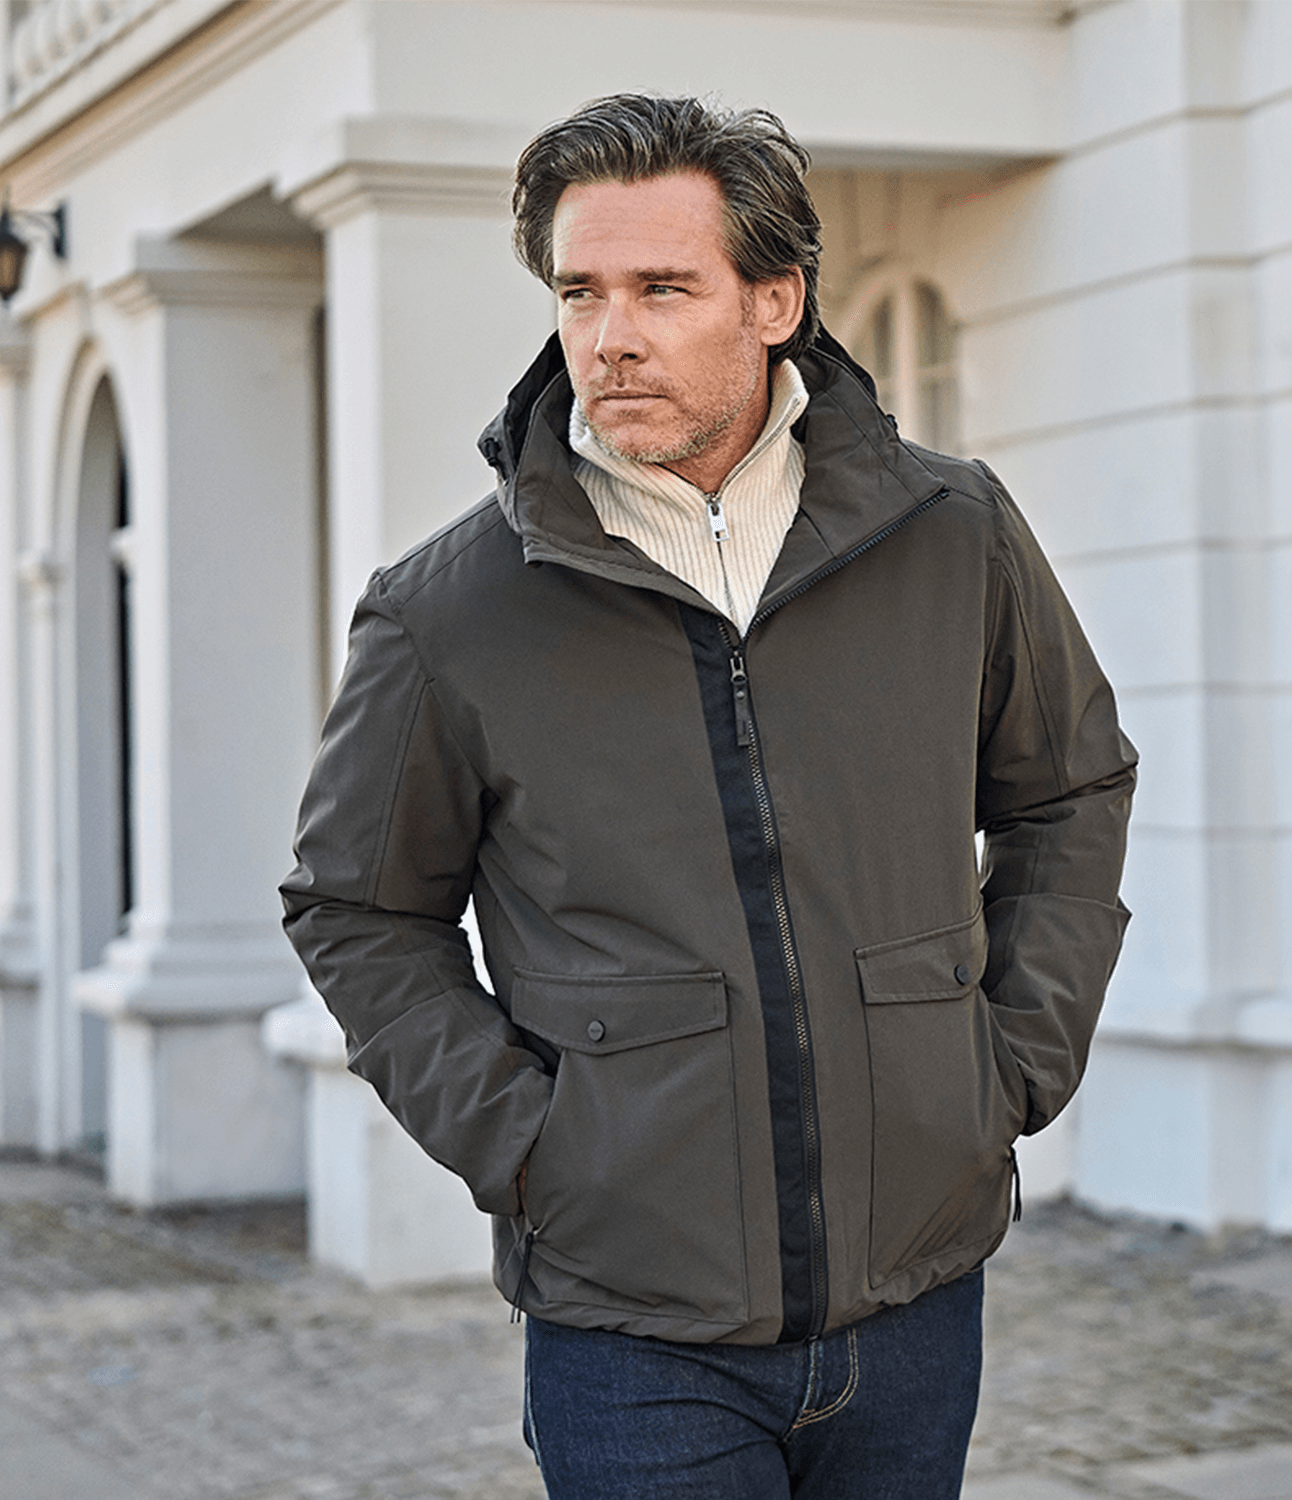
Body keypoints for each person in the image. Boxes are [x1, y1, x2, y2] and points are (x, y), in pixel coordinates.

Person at [281, 93, 1135, 1500]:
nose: (609, 335)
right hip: (632, 1327)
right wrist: (531, 1147)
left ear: (774, 301)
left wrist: (1010, 1067)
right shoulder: (450, 609)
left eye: (662, 288)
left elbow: (1069, 789)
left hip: (918, 1293)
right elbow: (358, 910)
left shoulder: (953, 534)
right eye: (580, 292)